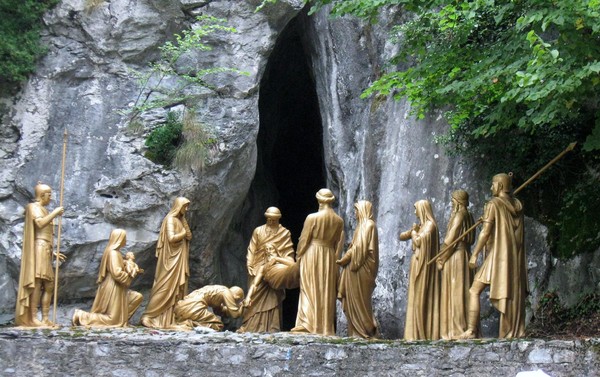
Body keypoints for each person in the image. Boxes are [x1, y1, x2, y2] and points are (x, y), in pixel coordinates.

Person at [460, 173, 527, 339]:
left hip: (497, 256)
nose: (491, 188)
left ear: (500, 185)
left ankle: (470, 331)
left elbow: (485, 233)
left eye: (493, 184)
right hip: (512, 257)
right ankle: (514, 330)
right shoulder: (517, 205)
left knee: (474, 290)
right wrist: (488, 218)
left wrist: (474, 254)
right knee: (510, 292)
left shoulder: (494, 204)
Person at [291, 189, 344, 336]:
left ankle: (308, 324)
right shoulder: (339, 220)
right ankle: (324, 326)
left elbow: (304, 239)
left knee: (309, 287)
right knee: (325, 289)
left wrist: (298, 256)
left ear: (319, 200)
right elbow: (338, 243)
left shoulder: (312, 218)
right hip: (328, 255)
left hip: (312, 252)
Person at [15, 182, 66, 327]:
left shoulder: (43, 209)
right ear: (42, 195)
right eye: (49, 195)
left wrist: (53, 252)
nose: (50, 197)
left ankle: (45, 318)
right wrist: (55, 213)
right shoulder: (33, 207)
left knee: (49, 285)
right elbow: (39, 224)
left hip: (46, 249)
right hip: (39, 248)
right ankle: (33, 317)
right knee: (37, 283)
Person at [238, 207, 296, 333]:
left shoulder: (284, 233)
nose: (270, 221)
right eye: (268, 219)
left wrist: (278, 261)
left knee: (273, 295)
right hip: (258, 265)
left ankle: (272, 326)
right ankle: (250, 325)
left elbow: (289, 254)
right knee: (255, 292)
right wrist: (249, 263)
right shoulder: (258, 231)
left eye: (273, 219)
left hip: (275, 269)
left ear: (278, 219)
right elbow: (252, 248)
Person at [72, 229, 143, 327]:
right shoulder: (113, 252)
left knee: (137, 297)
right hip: (112, 287)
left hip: (118, 287)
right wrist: (130, 275)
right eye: (124, 237)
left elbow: (119, 265)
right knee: (112, 319)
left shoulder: (115, 252)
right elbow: (116, 273)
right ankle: (82, 316)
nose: (125, 240)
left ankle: (122, 320)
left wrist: (127, 264)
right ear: (119, 238)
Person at [141, 197, 192, 329]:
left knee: (177, 289)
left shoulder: (180, 220)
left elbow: (189, 236)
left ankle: (170, 319)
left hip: (179, 258)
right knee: (164, 287)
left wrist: (184, 223)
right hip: (170, 260)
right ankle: (149, 315)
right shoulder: (170, 220)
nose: (186, 209)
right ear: (178, 206)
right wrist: (182, 232)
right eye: (184, 206)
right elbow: (172, 238)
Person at [337, 200, 379, 339]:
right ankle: (355, 331)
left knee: (361, 301)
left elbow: (360, 249)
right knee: (353, 301)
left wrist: (345, 258)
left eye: (356, 210)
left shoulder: (368, 225)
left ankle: (367, 330)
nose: (354, 214)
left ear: (362, 210)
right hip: (355, 269)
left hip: (361, 269)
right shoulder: (361, 226)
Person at [436, 190, 475, 339]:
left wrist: (441, 258)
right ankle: (462, 326)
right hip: (464, 255)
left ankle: (456, 329)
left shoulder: (459, 215)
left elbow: (450, 240)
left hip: (455, 257)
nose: (451, 203)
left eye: (453, 201)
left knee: (456, 293)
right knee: (462, 291)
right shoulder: (469, 215)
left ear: (458, 201)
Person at [399, 199, 440, 340]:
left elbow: (418, 242)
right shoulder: (423, 225)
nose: (414, 212)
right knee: (414, 297)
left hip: (423, 267)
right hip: (417, 264)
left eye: (416, 209)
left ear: (422, 209)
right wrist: (412, 231)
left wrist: (414, 233)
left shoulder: (430, 226)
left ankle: (421, 332)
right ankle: (413, 333)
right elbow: (402, 236)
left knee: (420, 297)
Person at [243, 243, 297, 308]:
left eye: (270, 249)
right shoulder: (263, 267)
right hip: (275, 278)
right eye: (266, 250)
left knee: (299, 268)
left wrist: (277, 259)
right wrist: (248, 297)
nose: (268, 251)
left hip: (287, 271)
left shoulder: (285, 259)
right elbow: (254, 284)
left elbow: (293, 265)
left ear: (276, 250)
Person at [174, 285, 245, 331]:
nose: (233, 302)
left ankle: (186, 323)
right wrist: (243, 306)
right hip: (194, 306)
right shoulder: (226, 292)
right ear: (236, 297)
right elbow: (235, 315)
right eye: (236, 301)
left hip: (182, 306)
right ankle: (188, 324)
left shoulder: (218, 290)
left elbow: (220, 311)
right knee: (218, 325)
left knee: (214, 322)